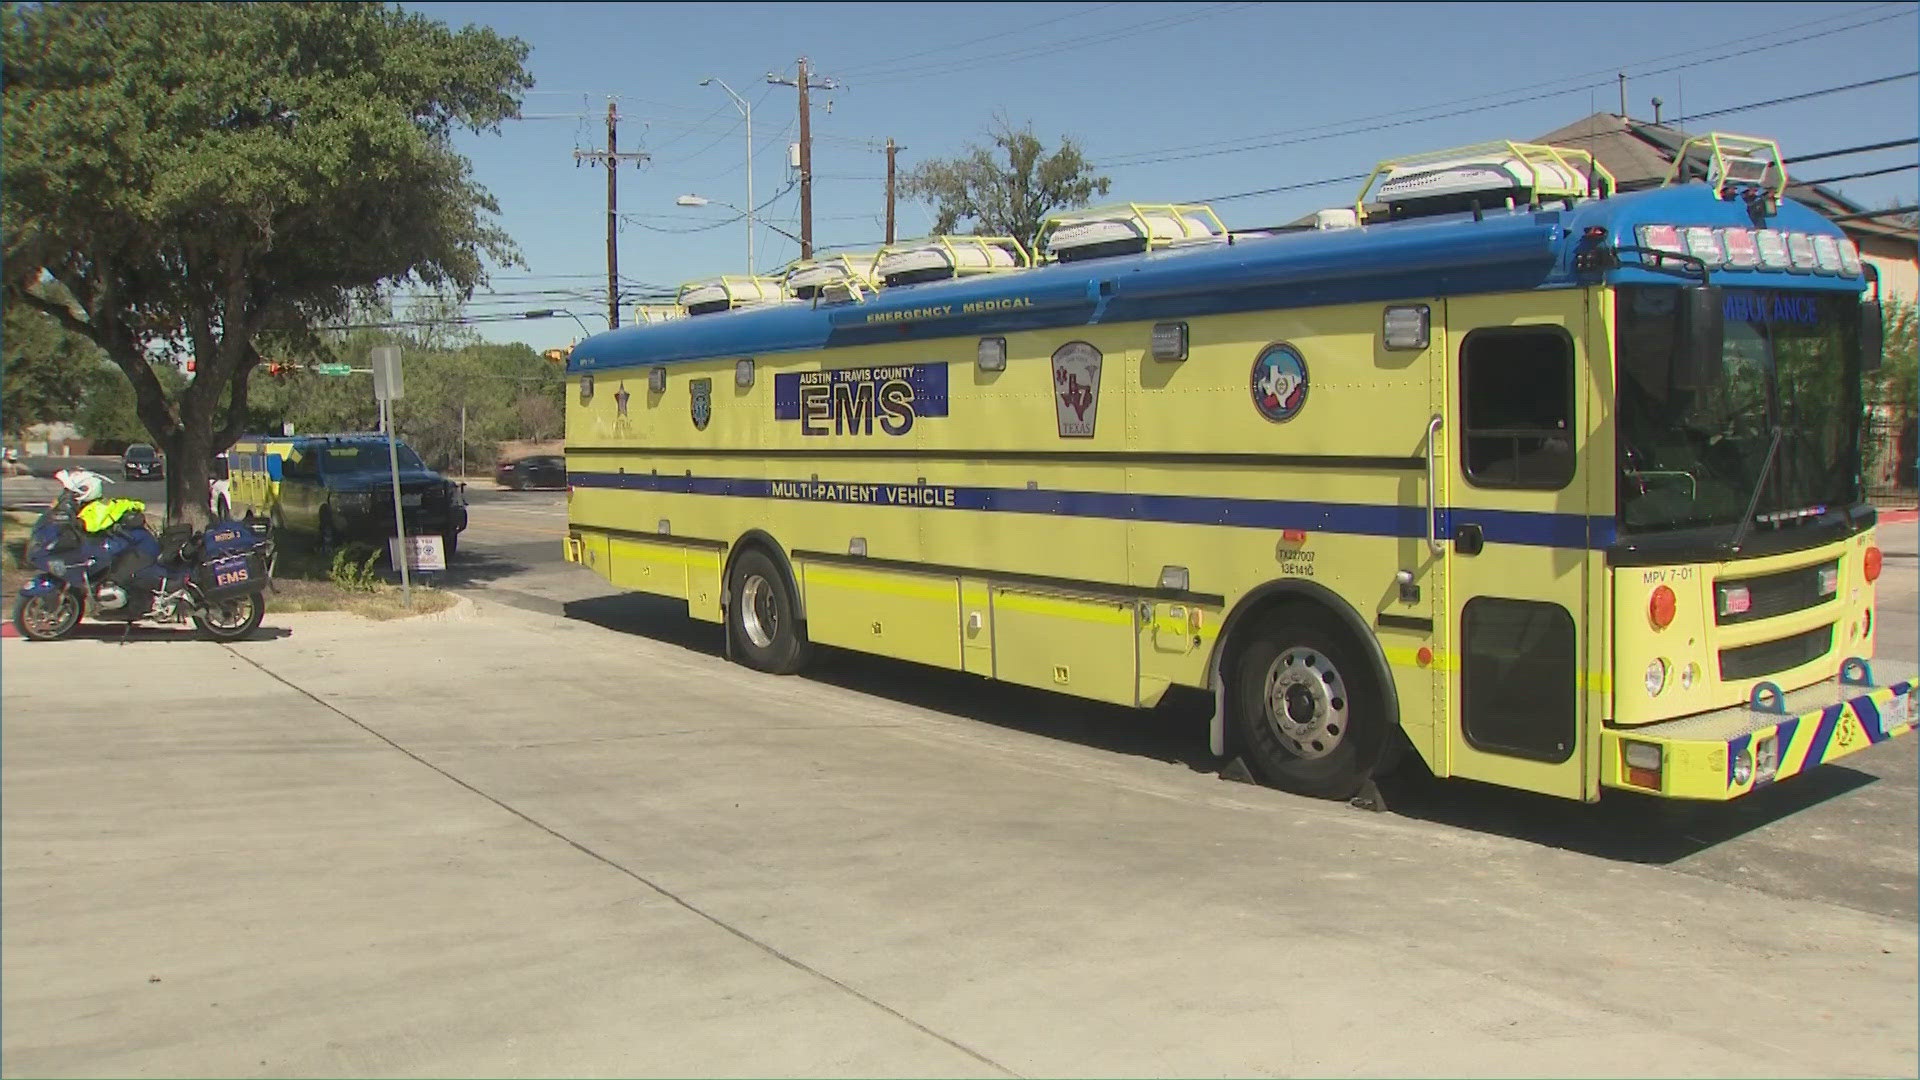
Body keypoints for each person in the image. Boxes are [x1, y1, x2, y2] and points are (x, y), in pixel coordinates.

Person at [54, 469, 145, 533]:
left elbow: (90, 524)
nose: (67, 495)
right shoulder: (81, 505)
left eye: (72, 492)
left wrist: (76, 522)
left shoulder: (100, 507)